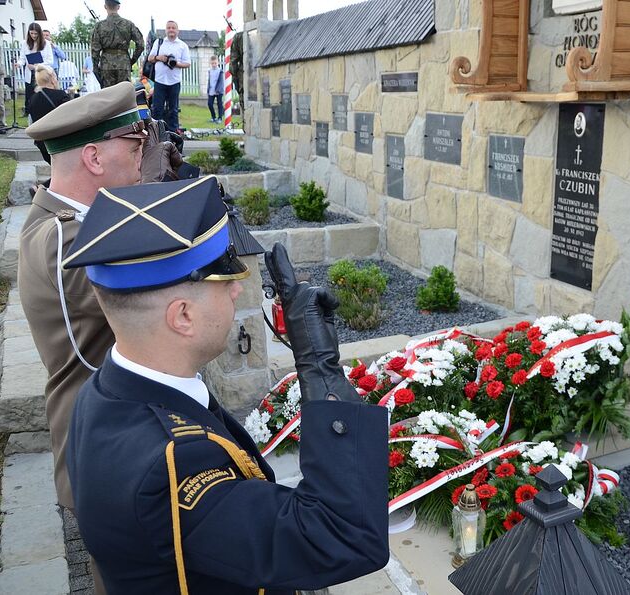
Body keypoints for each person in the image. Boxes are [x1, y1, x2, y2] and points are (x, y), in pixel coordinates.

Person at [61, 177, 390, 592]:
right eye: (222, 280)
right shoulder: (172, 466)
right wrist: (320, 369)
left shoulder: (107, 390)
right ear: (182, 316)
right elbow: (343, 536)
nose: (237, 289)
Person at [20, 82, 152, 594]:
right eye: (135, 145)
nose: (144, 156)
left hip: (112, 432)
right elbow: (166, 308)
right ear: (94, 157)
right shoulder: (67, 240)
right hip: (105, 443)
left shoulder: (64, 216)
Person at [147, 20, 190, 133]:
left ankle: (172, 134)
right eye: (169, 28)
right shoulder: (159, 42)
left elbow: (187, 63)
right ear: (166, 30)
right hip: (160, 81)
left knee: (173, 110)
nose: (171, 30)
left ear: (177, 30)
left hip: (174, 82)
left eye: (173, 28)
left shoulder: (182, 45)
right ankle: (156, 132)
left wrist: (175, 64)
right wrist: (159, 58)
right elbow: (150, 58)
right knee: (157, 109)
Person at [90, 0, 144, 88]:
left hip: (106, 65)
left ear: (105, 6)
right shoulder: (128, 25)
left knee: (108, 96)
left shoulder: (99, 26)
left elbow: (95, 49)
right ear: (118, 7)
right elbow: (141, 45)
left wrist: (95, 67)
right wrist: (131, 61)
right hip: (124, 63)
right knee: (123, 95)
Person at [26, 65, 70, 162]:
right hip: (61, 142)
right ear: (53, 79)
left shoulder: (32, 99)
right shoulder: (61, 95)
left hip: (43, 144)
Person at [15, 22, 53, 116]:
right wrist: (19, 64)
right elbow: (22, 58)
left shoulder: (46, 44)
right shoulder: (25, 43)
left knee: (41, 92)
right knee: (29, 94)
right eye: (31, 33)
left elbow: (50, 60)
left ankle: (43, 111)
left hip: (41, 72)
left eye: (35, 33)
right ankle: (29, 112)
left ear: (39, 33)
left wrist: (37, 65)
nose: (33, 36)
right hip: (30, 73)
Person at [206, 54, 224, 123]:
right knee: (210, 104)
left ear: (218, 63)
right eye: (212, 63)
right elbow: (209, 81)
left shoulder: (220, 71)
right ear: (210, 63)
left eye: (215, 63)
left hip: (219, 91)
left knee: (219, 104)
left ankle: (220, 118)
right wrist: (208, 89)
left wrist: (218, 90)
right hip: (211, 90)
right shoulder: (210, 71)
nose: (214, 64)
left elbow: (221, 81)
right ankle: (213, 117)